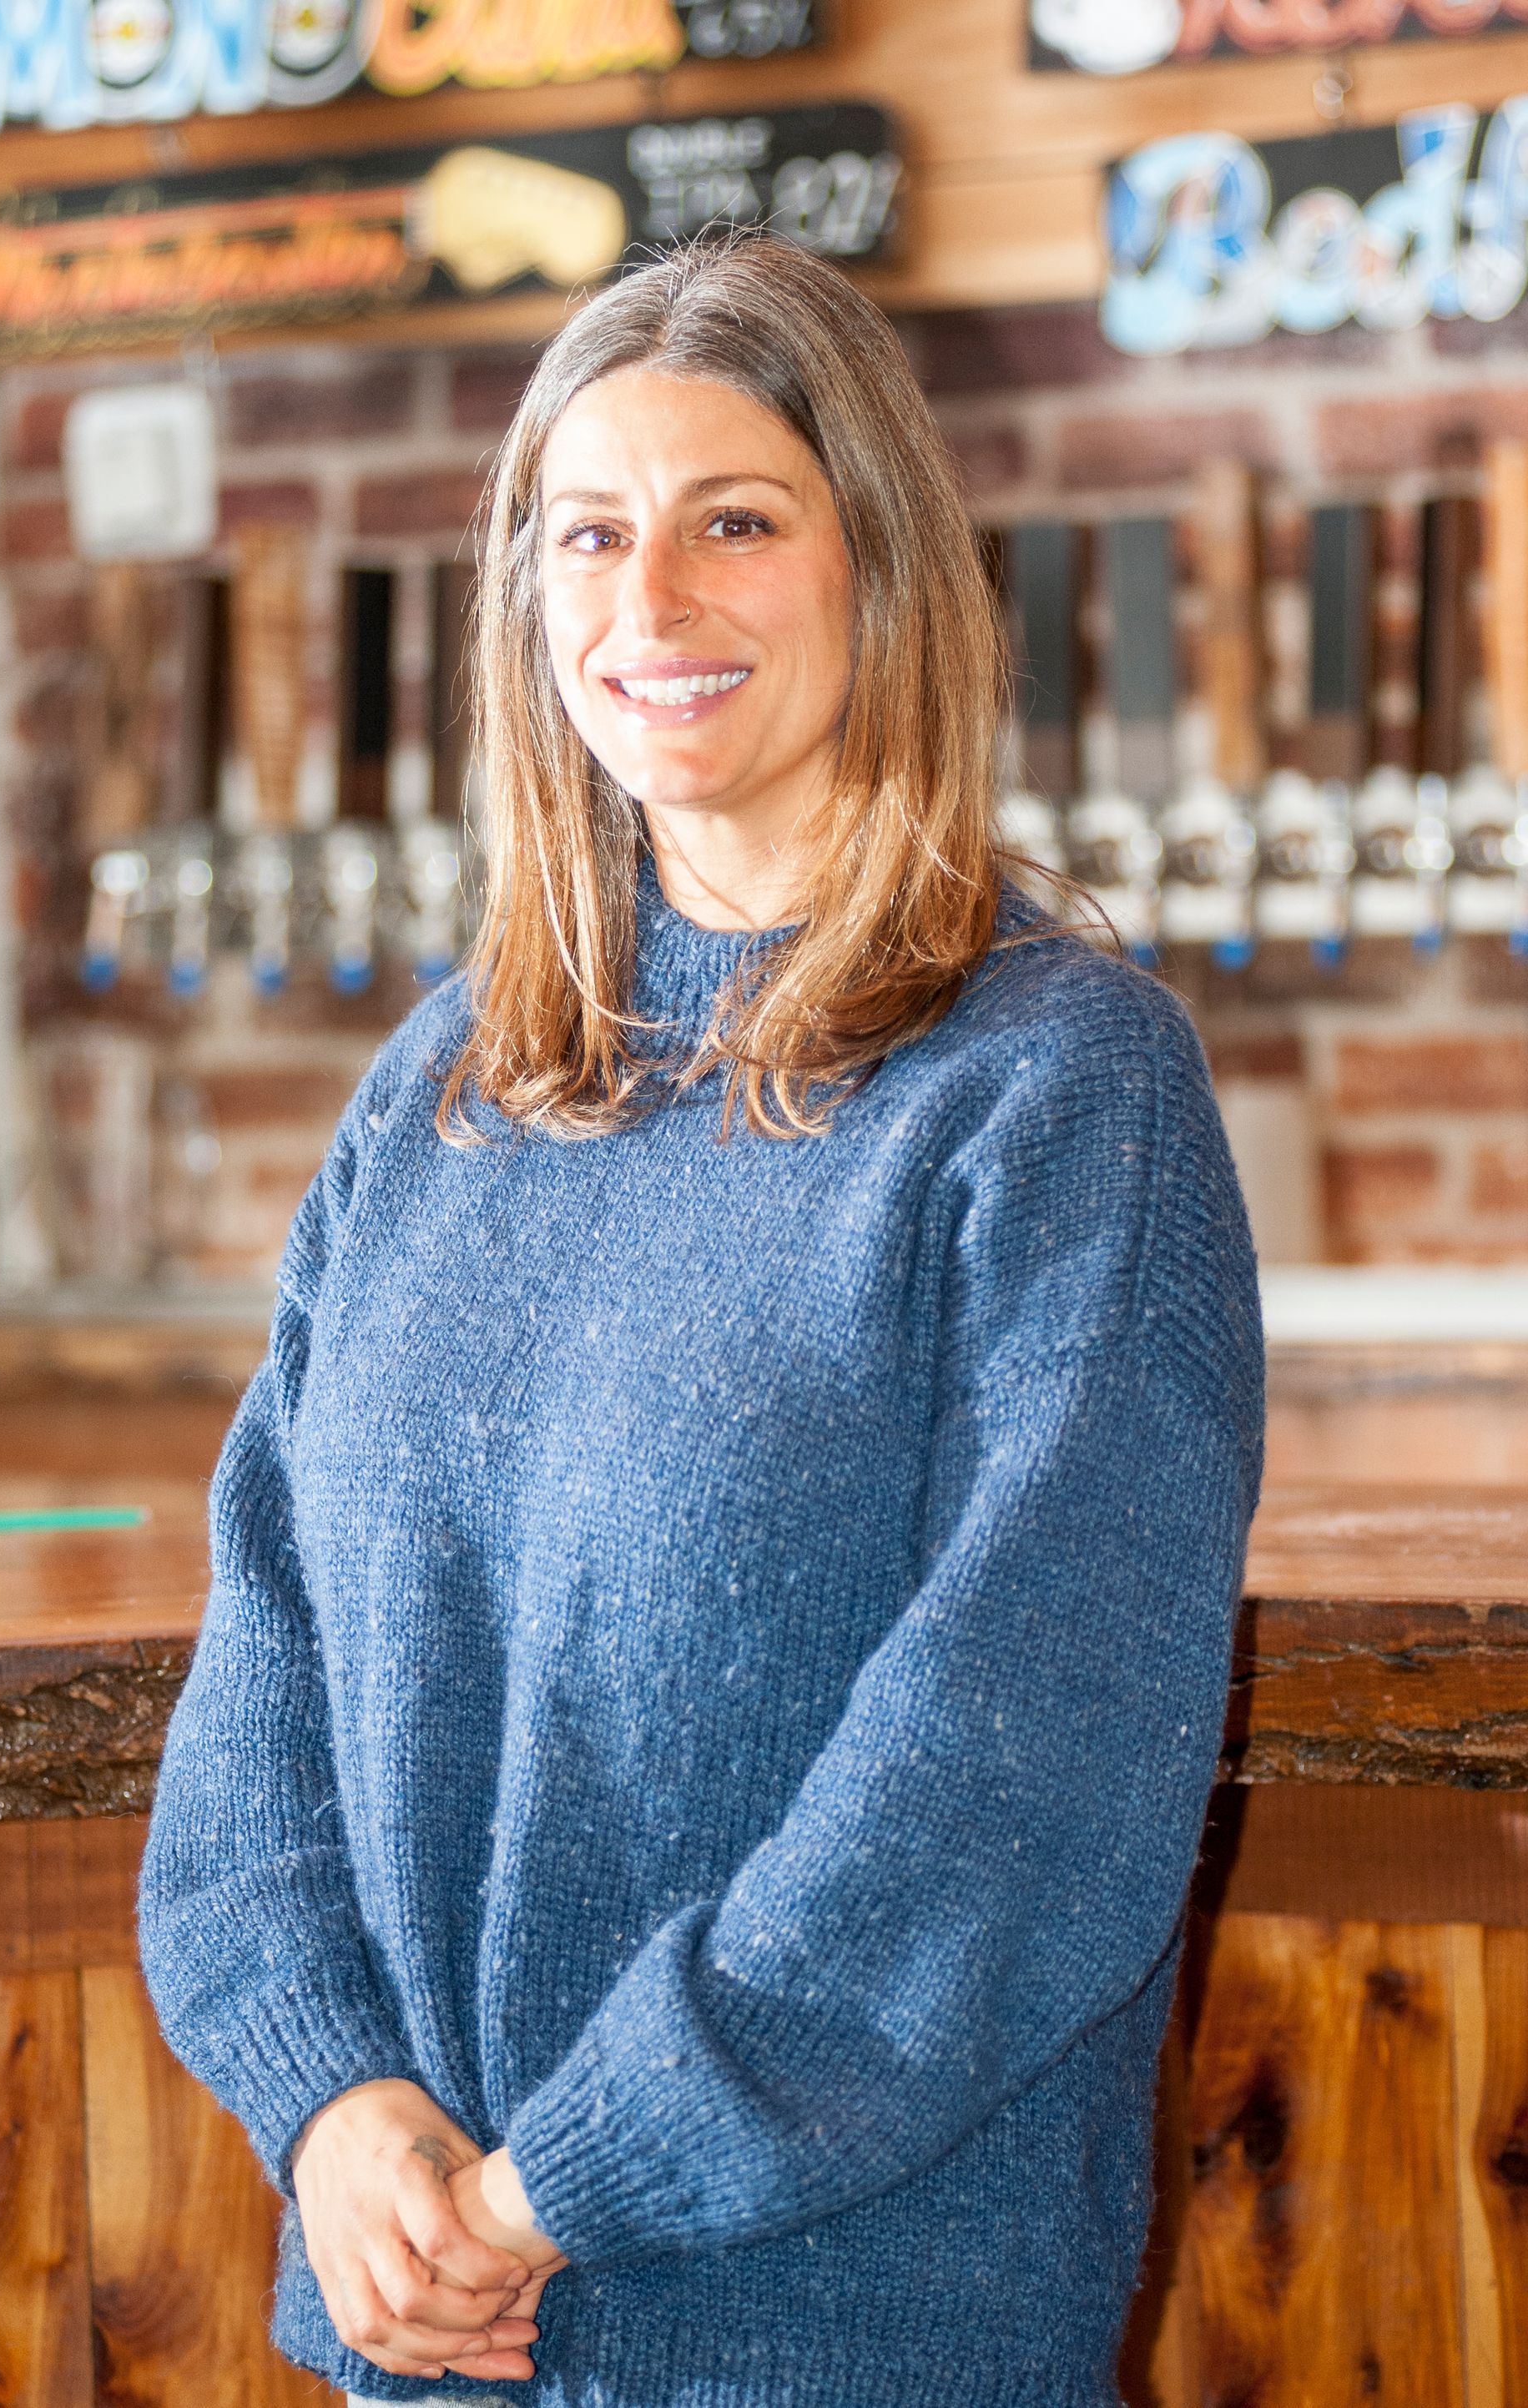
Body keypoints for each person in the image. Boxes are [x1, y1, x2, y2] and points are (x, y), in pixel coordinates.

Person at [138, 229, 1265, 2408]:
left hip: (846, 2348)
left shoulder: (1059, 1092)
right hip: (419, 2351)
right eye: (589, 536)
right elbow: (265, 1649)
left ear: (883, 575)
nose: (647, 606)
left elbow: (1010, 1789)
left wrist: (554, 2189)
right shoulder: (443, 1093)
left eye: (734, 522)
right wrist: (335, 2109)